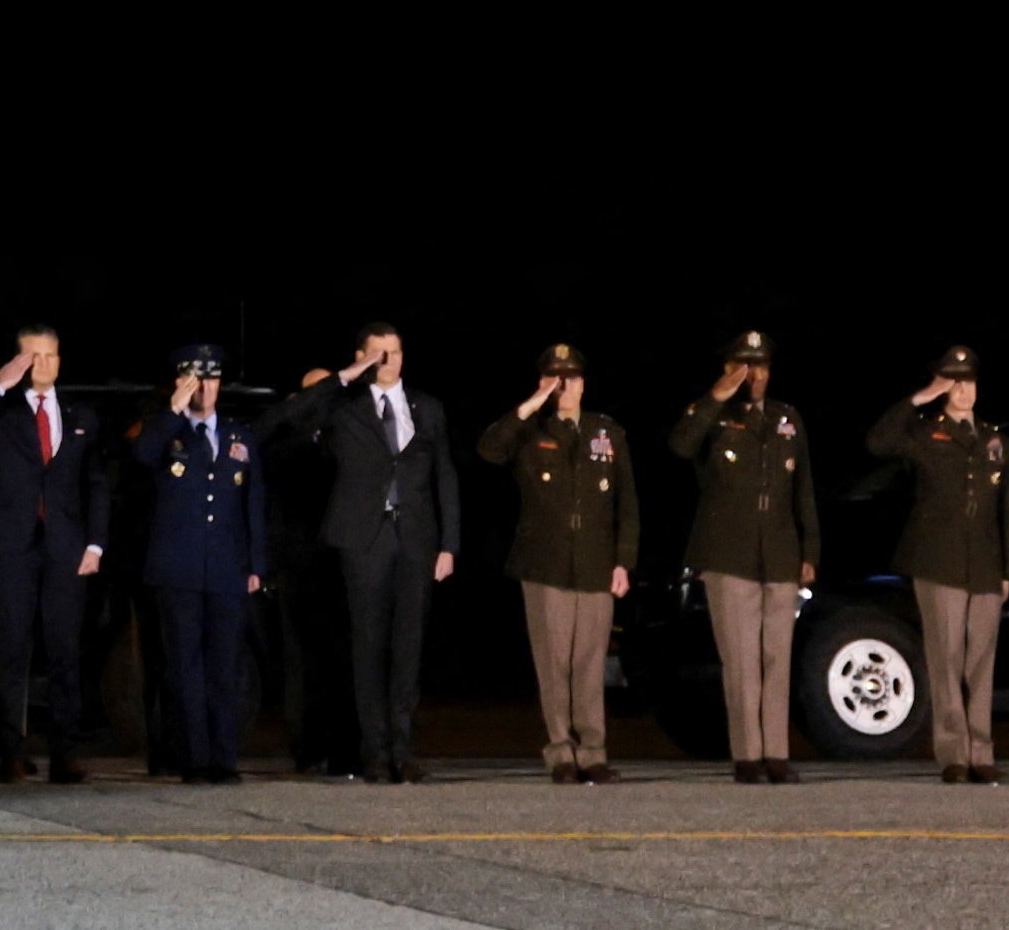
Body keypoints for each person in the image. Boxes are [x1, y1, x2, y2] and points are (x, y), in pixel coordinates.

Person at [259, 325, 454, 783]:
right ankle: (375, 751)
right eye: (378, 354)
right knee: (368, 647)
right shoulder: (346, 407)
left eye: (395, 352)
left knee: (408, 648)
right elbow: (279, 421)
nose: (388, 360)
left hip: (414, 539)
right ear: (362, 357)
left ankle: (403, 749)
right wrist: (344, 376)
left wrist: (449, 544)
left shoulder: (426, 407)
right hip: (364, 538)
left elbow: (444, 475)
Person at [472, 344, 635, 784]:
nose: (565, 387)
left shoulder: (606, 432)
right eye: (555, 379)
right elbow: (489, 449)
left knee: (589, 661)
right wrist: (531, 404)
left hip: (595, 563)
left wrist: (623, 562)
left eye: (572, 379)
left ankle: (593, 751)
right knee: (554, 662)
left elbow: (627, 505)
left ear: (584, 383)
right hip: (545, 564)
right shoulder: (530, 430)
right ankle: (561, 751)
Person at [0, 324, 111, 781]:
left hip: (66, 547)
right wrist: (0, 383)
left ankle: (66, 751)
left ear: (60, 361)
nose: (41, 364)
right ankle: (9, 749)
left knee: (65, 649)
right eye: (31, 356)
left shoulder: (80, 413)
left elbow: (97, 482)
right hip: (10, 544)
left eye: (49, 355)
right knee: (11, 650)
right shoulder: (1, 412)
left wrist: (95, 542)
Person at [671, 330, 821, 783]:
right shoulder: (712, 417)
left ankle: (776, 752)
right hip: (728, 554)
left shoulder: (786, 419)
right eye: (744, 365)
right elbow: (680, 445)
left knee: (777, 657)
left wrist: (809, 550)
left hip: (778, 552)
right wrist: (716, 396)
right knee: (740, 659)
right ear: (727, 370)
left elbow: (803, 491)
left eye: (761, 366)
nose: (754, 375)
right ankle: (747, 755)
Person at [871, 345, 1009, 784]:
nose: (964, 390)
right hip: (939, 561)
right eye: (954, 382)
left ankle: (982, 752)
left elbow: (1007, 508)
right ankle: (955, 754)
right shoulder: (924, 432)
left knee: (981, 662)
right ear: (943, 387)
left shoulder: (994, 438)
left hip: (986, 563)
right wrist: (918, 398)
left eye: (969, 381)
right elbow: (877, 442)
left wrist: (1008, 568)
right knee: (947, 657)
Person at [127, 345, 264, 784]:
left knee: (225, 667)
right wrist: (172, 411)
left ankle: (223, 759)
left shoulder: (240, 436)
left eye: (212, 379)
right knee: (184, 666)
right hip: (178, 568)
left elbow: (254, 505)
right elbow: (142, 457)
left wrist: (256, 564)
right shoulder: (166, 431)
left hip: (226, 568)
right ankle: (192, 758)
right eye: (195, 379)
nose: (205, 388)